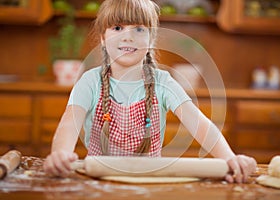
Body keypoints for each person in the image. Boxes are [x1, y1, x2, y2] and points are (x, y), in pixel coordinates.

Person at [43, 0, 257, 183]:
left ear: (151, 39)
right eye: (117, 28)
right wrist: (60, 154)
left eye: (138, 28)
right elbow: (69, 124)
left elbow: (199, 125)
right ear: (102, 38)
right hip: (97, 181)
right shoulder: (90, 81)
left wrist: (229, 158)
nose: (128, 37)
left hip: (151, 182)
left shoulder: (163, 82)